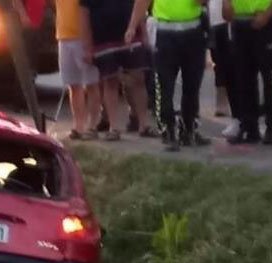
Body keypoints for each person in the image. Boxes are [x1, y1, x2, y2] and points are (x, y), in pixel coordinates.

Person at [128, 0, 210, 151]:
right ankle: (168, 130)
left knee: (192, 84)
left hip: (193, 31)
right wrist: (132, 26)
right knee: (164, 84)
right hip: (165, 33)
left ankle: (189, 128)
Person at [81, 0, 159, 140]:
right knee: (110, 82)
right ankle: (114, 127)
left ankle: (144, 125)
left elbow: (139, 4)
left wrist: (144, 33)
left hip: (131, 35)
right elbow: (84, 14)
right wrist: (87, 46)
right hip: (102, 39)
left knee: (138, 79)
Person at [224, 0, 272, 145]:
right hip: (240, 22)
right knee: (243, 77)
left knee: (271, 77)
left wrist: (267, 14)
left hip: (266, 21)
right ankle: (249, 127)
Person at [56, 0, 102, 140]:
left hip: (84, 36)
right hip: (64, 35)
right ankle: (78, 125)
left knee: (91, 83)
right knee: (73, 84)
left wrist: (91, 40)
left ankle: (93, 125)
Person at [206, 0, 239, 135]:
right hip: (216, 21)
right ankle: (236, 117)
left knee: (235, 71)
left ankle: (242, 118)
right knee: (223, 68)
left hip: (231, 19)